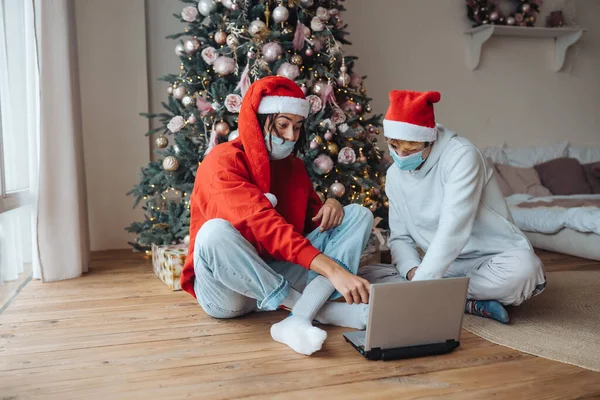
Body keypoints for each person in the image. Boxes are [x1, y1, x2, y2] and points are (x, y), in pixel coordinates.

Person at [180, 76, 373, 355]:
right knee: (213, 234)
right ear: (257, 121)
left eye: (297, 127)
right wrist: (334, 271)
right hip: (227, 291)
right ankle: (314, 311)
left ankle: (300, 316)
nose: (292, 137)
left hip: (276, 272)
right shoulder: (221, 162)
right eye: (282, 125)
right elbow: (262, 224)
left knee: (359, 215)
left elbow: (309, 226)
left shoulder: (293, 168)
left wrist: (331, 206)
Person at [381, 90, 546, 324]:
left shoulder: (461, 156)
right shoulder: (394, 176)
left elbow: (454, 227)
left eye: (409, 151)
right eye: (393, 148)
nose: (400, 157)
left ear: (429, 140)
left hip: (490, 259)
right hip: (443, 267)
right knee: (368, 275)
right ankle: (468, 300)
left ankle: (447, 296)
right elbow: (400, 238)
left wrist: (420, 287)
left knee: (526, 269)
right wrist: (412, 272)